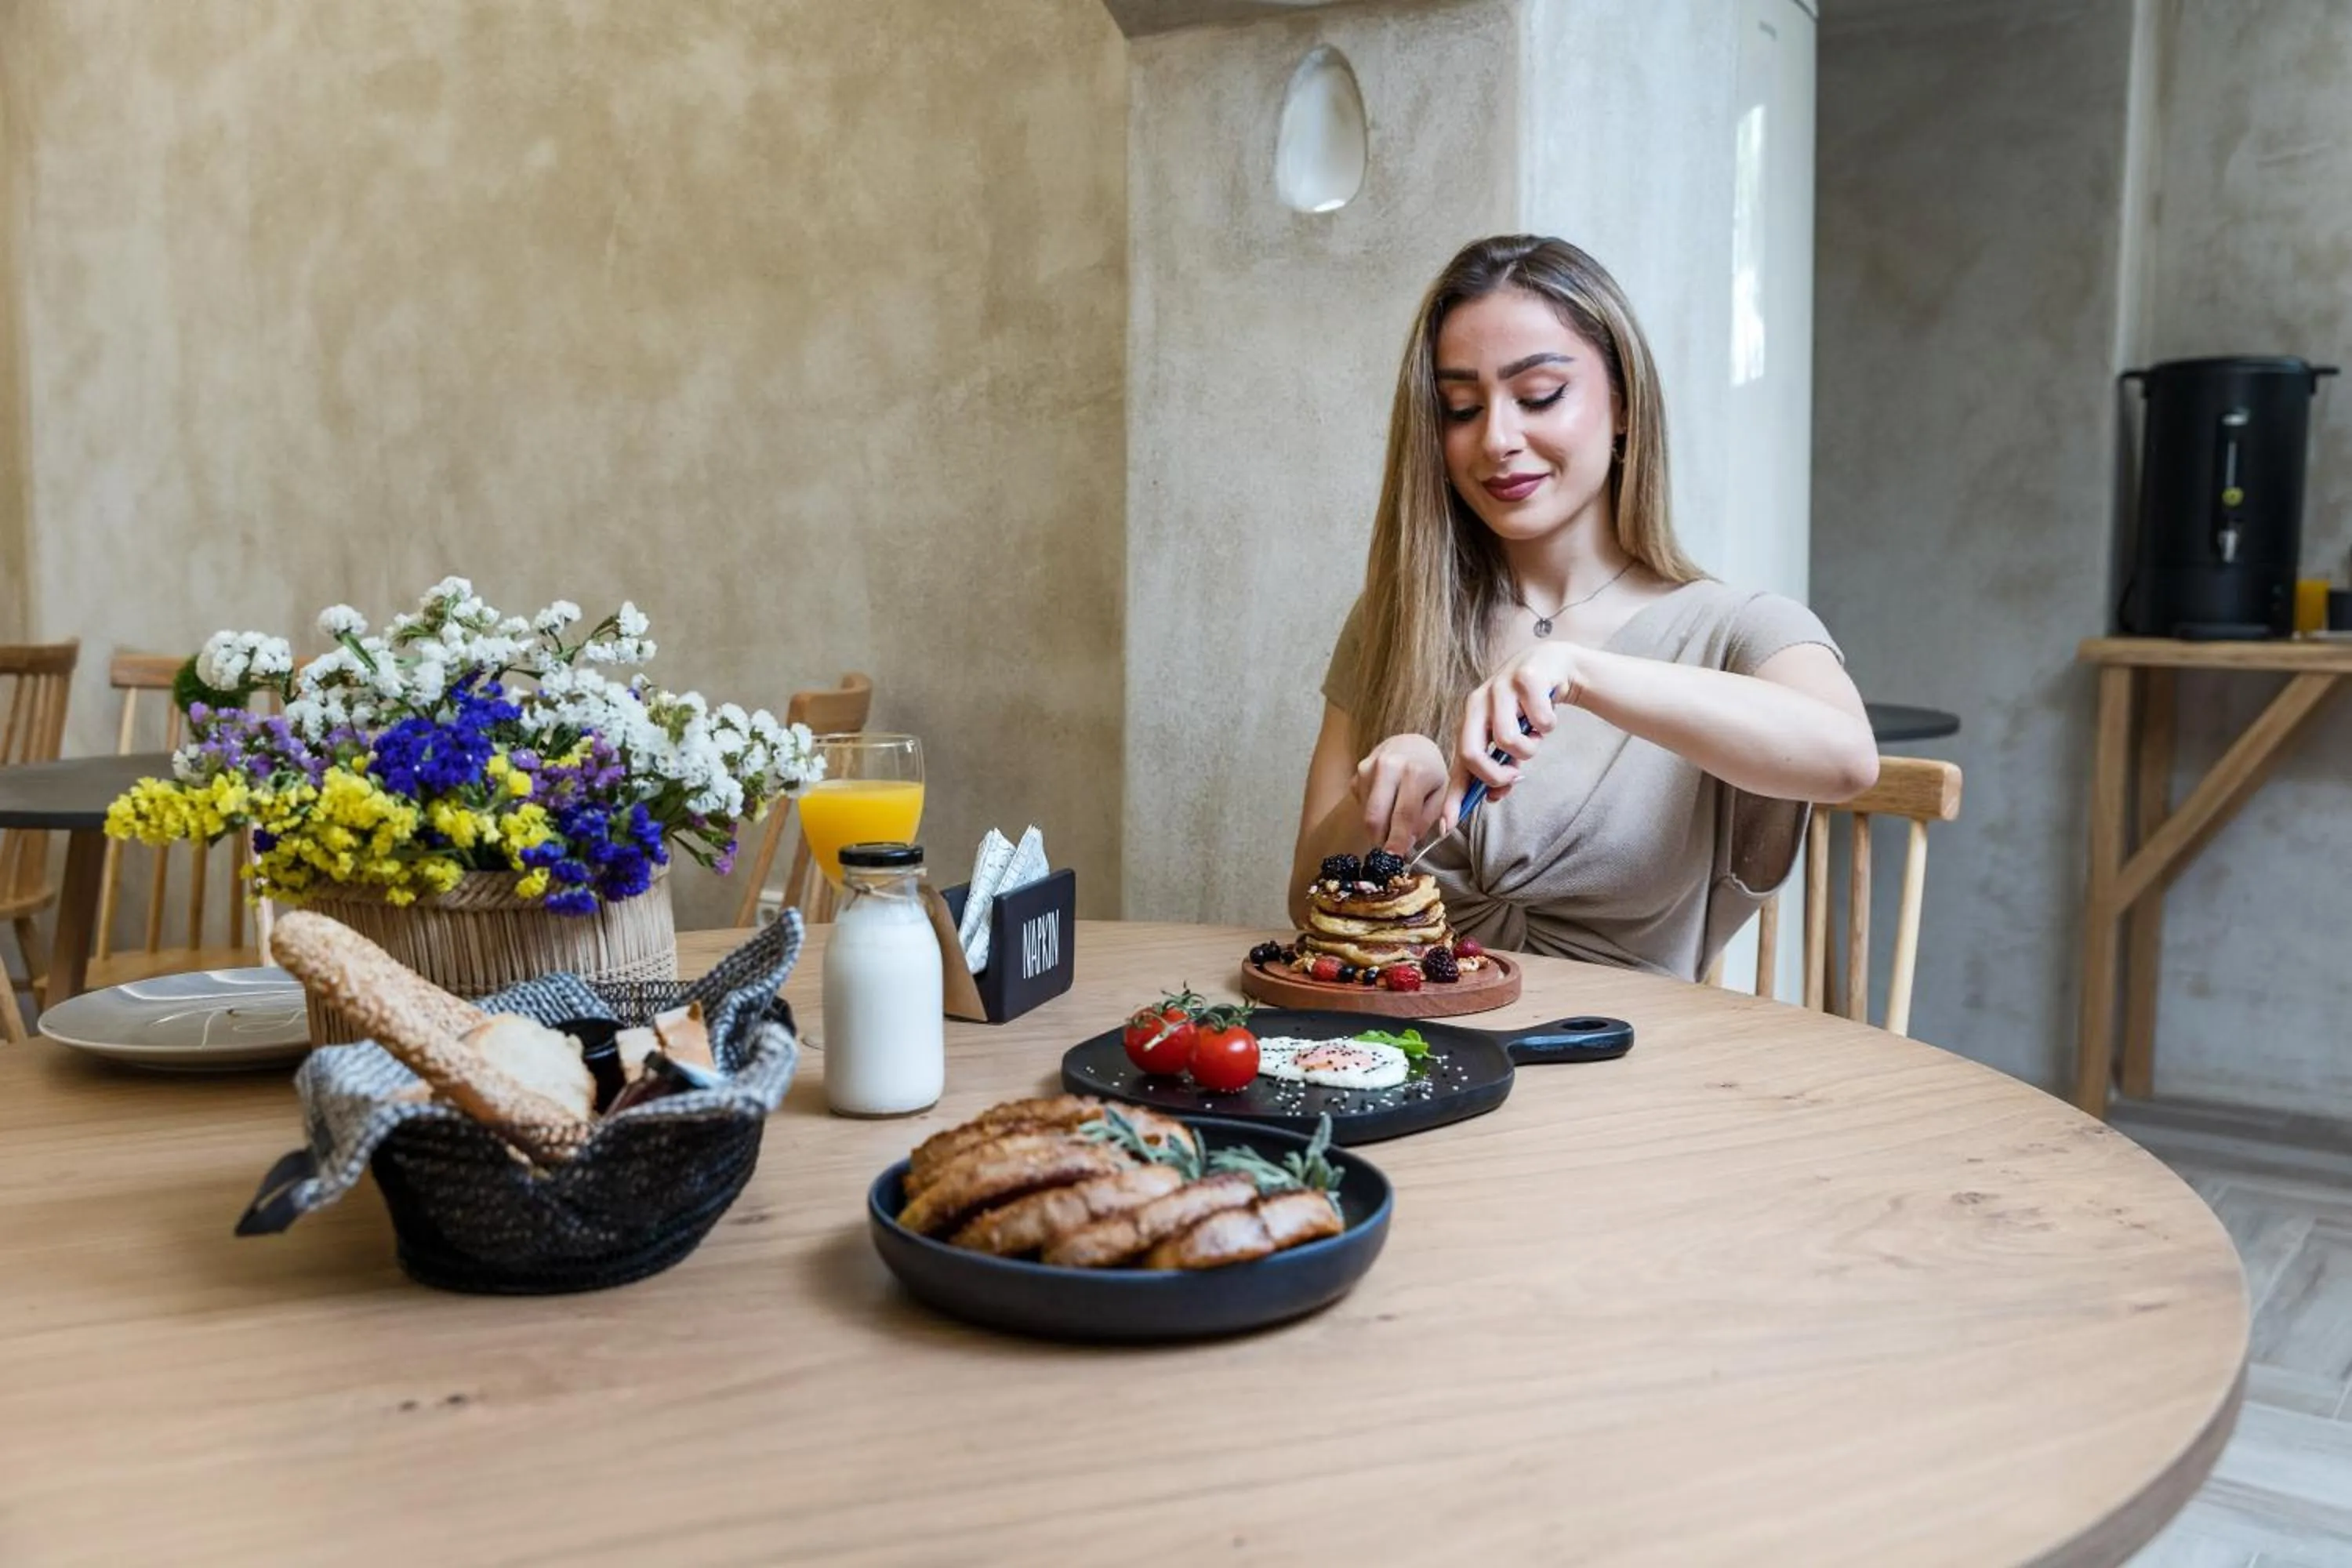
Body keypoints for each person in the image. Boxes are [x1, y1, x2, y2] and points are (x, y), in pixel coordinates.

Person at [1290, 234, 1879, 980]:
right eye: (1461, 408)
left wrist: (1578, 671)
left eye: (1539, 396)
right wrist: (1387, 805)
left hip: (1626, 1072)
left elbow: (1847, 758)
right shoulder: (1395, 618)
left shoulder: (1736, 627)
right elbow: (1306, 901)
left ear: (1624, 404)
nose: (1497, 440)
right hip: (1420, 1058)